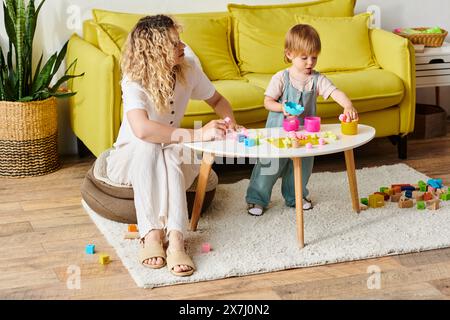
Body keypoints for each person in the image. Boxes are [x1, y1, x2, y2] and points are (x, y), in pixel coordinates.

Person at [106, 15, 238, 276]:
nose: (183, 47)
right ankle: (152, 234)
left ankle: (176, 238)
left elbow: (219, 100)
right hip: (130, 160)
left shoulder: (187, 67)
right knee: (150, 145)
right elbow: (142, 130)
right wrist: (200, 134)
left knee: (170, 151)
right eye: (175, 43)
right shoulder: (134, 79)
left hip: (173, 157)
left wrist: (229, 124)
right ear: (155, 49)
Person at [245, 24, 358, 216]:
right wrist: (282, 108)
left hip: (305, 133)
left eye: (314, 57)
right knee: (269, 165)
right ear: (289, 54)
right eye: (304, 57)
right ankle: (257, 198)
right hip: (278, 132)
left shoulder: (316, 79)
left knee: (302, 167)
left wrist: (347, 105)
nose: (310, 63)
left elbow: (334, 91)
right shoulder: (282, 77)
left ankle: (295, 196)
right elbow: (267, 102)